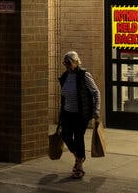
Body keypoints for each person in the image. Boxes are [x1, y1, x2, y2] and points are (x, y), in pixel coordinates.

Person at [58, 50, 101, 179]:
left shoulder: (84, 75)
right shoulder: (65, 76)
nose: (66, 65)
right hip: (67, 112)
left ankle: (79, 166)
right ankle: (79, 157)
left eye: (69, 63)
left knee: (78, 137)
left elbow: (96, 92)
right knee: (65, 135)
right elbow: (64, 96)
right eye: (65, 63)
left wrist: (96, 110)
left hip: (80, 113)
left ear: (76, 62)